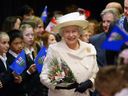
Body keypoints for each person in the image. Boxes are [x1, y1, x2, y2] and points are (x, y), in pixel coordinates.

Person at [40, 12, 99, 96]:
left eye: (74, 31)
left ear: (79, 33)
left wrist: (90, 82)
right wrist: (61, 85)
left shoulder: (89, 48)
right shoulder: (54, 49)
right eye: (67, 32)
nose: (71, 35)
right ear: (62, 33)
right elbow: (44, 76)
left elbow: (96, 74)